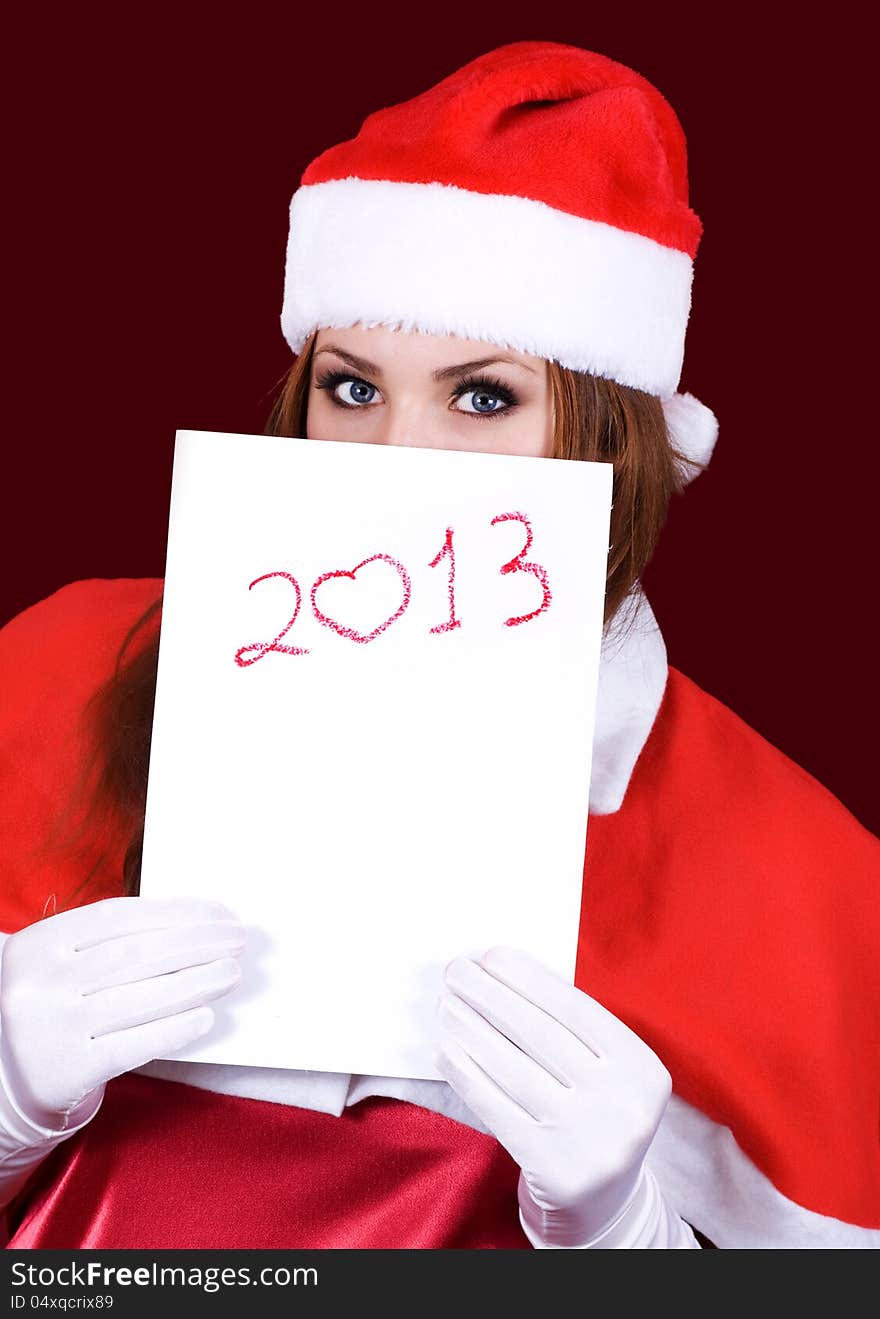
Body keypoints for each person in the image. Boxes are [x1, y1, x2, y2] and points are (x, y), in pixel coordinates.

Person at [0, 40, 877, 1251]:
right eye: (352, 389)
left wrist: (624, 1233)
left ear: (613, 443)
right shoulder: (60, 664)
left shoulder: (793, 873)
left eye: (481, 396)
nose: (395, 459)